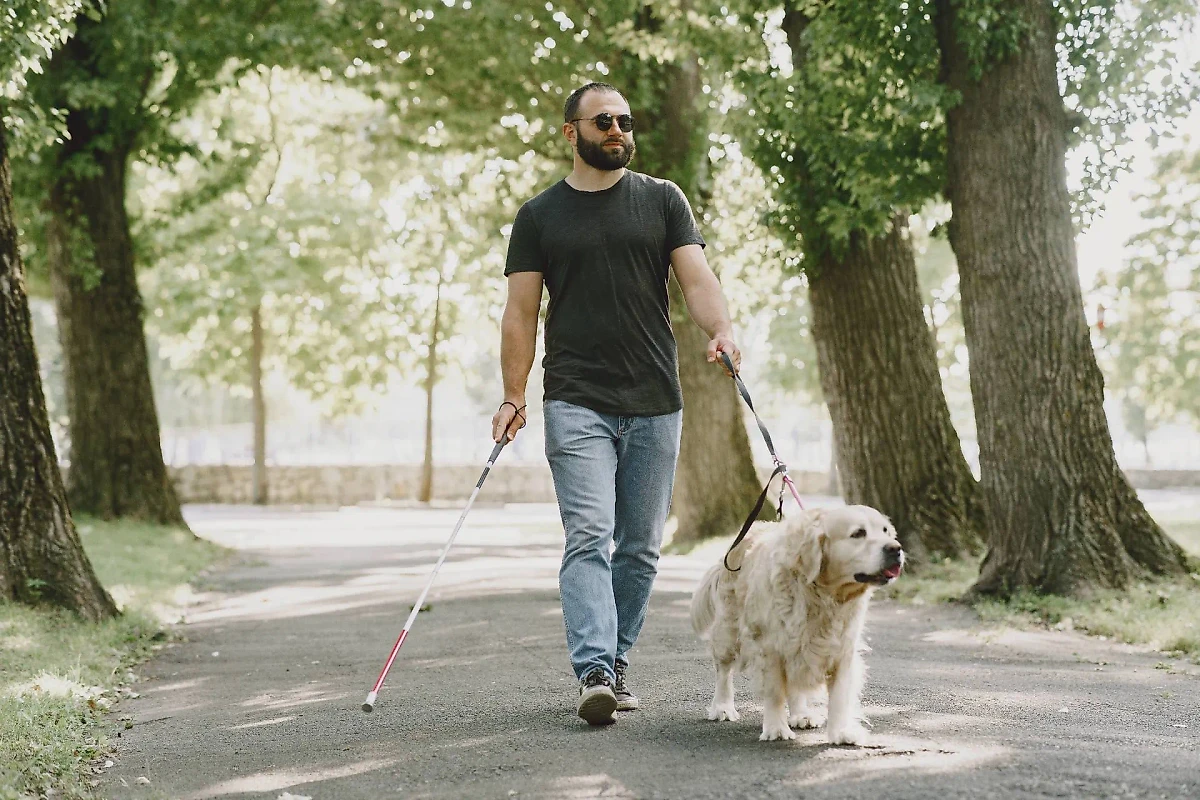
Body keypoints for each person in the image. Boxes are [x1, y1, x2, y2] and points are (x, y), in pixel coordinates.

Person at [491, 81, 742, 726]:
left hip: (656, 399)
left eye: (626, 122)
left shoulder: (662, 201)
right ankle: (595, 667)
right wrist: (513, 394)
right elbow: (521, 313)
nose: (618, 132)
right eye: (604, 121)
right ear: (571, 131)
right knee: (589, 536)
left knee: (639, 547)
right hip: (576, 399)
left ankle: (616, 661)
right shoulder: (539, 217)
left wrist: (723, 331)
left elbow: (697, 279)